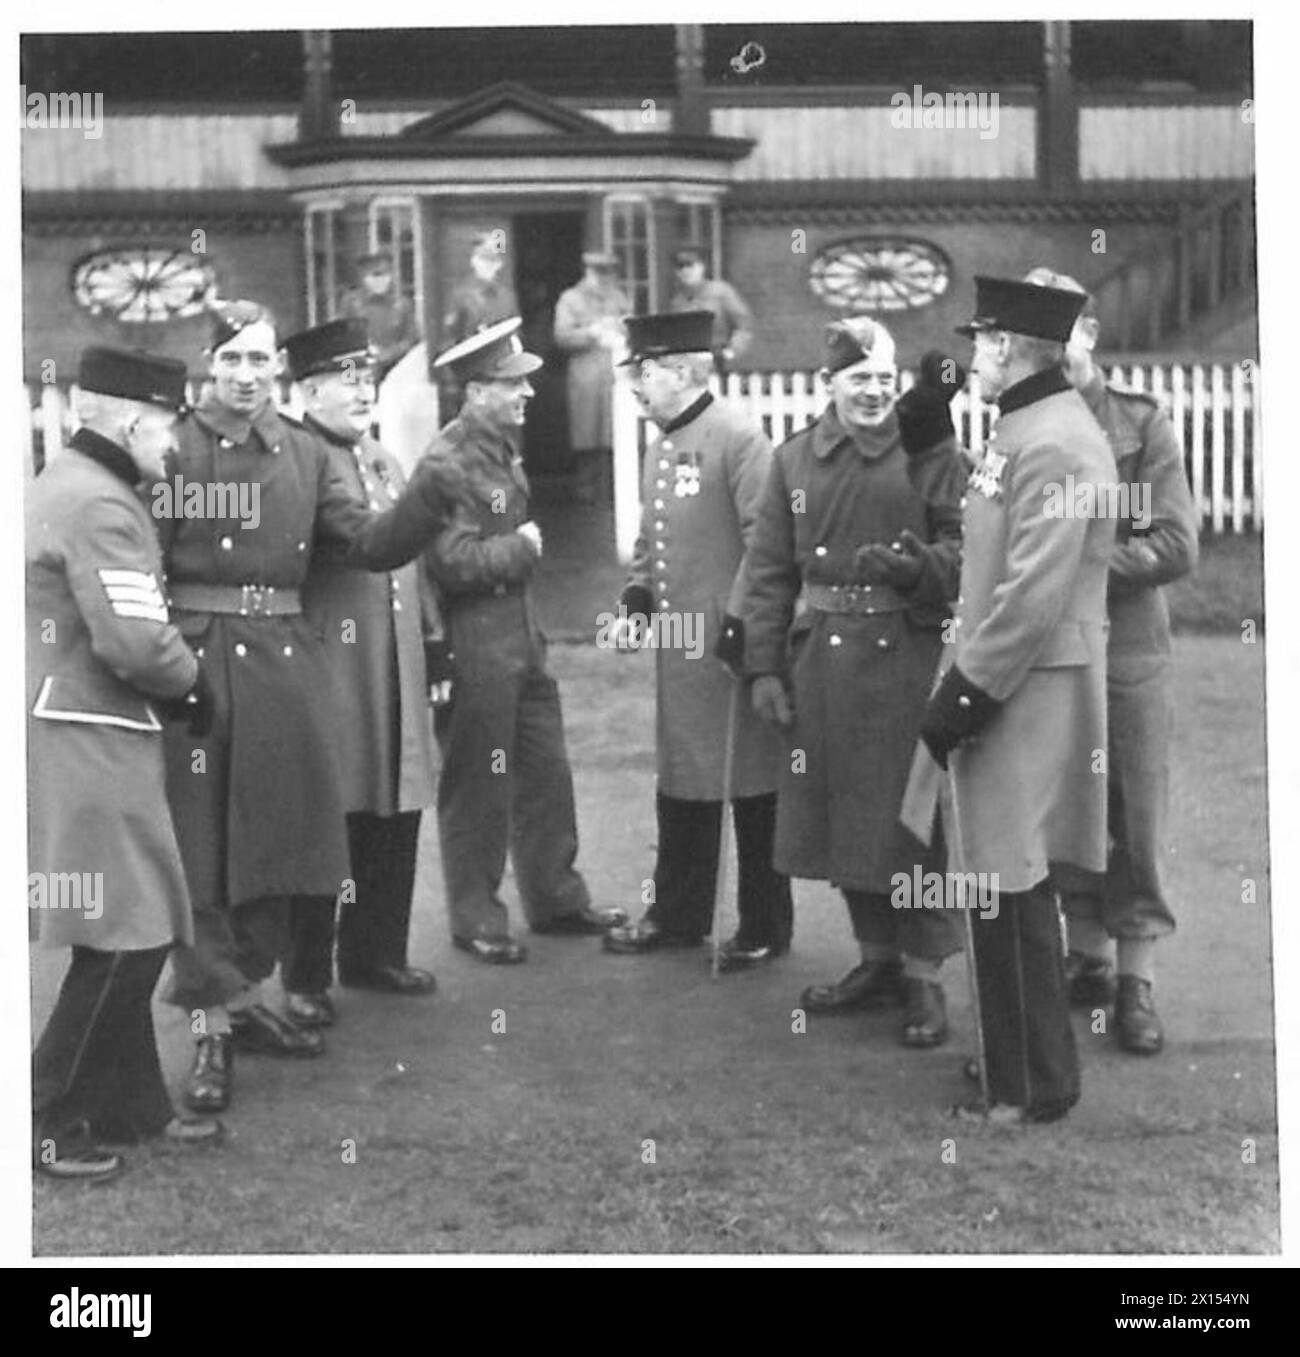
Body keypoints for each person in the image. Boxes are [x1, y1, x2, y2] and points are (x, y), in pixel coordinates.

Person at [158, 301, 401, 1113]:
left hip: (279, 660)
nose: (248, 375)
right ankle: (211, 1032)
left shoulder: (303, 451)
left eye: (261, 361)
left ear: (278, 370)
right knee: (202, 854)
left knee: (279, 842)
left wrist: (431, 496)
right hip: (191, 666)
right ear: (207, 363)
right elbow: (142, 558)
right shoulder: (170, 448)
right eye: (233, 360)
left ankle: (245, 997)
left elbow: (364, 543)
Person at [348, 317, 627, 961]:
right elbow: (450, 563)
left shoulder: (499, 449)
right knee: (478, 783)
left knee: (545, 771)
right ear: (477, 392)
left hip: (520, 637)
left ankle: (556, 898)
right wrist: (522, 549)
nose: (527, 394)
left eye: (525, 382)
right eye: (513, 384)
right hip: (474, 642)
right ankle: (475, 918)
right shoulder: (447, 464)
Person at [911, 275, 1118, 1123]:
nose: (971, 357)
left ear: (1007, 346)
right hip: (1009, 685)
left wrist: (967, 692)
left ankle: (1028, 1087)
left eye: (979, 342)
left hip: (1023, 691)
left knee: (1007, 883)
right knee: (999, 883)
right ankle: (1020, 1067)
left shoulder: (1059, 441)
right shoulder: (1027, 427)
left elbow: (1033, 594)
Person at [739, 318, 966, 1045]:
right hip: (824, 666)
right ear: (827, 383)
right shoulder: (793, 460)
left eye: (882, 376)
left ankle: (925, 979)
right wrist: (765, 667)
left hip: (908, 656)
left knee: (911, 823)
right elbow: (770, 571)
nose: (872, 391)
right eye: (857, 377)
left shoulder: (930, 451)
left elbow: (970, 546)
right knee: (844, 817)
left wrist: (920, 569)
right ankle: (876, 961)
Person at [28, 347, 221, 1183]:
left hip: (71, 720)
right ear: (132, 419)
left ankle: (129, 1106)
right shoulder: (103, 503)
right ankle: (44, 1117)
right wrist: (193, 686)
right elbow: (134, 637)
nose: (175, 442)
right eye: (169, 422)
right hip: (88, 726)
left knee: (126, 919)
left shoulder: (65, 481)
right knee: (127, 930)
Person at [1024, 267, 1199, 1055]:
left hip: (1126, 651)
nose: (1053, 351)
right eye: (1038, 337)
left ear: (1088, 334)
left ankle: (1137, 982)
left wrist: (1082, 563)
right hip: (1055, 652)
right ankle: (1086, 961)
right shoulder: (1021, 423)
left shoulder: (1140, 425)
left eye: (1064, 333)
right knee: (1067, 806)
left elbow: (1176, 544)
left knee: (1132, 813)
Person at [601, 311, 792, 968]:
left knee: (752, 787)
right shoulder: (661, 443)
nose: (636, 388)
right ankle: (678, 914)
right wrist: (636, 600)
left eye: (645, 374)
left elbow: (768, 548)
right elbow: (655, 548)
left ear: (681, 372)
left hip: (730, 650)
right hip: (680, 654)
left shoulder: (739, 438)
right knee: (682, 781)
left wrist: (748, 633)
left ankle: (765, 926)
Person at [279, 318, 443, 1029]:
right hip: (334, 659)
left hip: (394, 656)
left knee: (395, 800)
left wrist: (436, 641)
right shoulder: (299, 458)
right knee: (333, 812)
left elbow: (415, 564)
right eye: (346, 382)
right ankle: (308, 972)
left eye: (366, 380)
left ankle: (377, 951)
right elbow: (363, 538)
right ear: (309, 389)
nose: (361, 392)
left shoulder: (381, 456)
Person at [552, 251, 630, 505]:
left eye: (608, 273)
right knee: (586, 434)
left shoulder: (618, 298)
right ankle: (585, 494)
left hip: (614, 372)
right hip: (585, 373)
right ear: (588, 273)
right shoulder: (571, 299)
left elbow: (632, 327)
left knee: (614, 433)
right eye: (598, 273)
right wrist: (591, 333)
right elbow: (561, 336)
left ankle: (610, 493)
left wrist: (620, 332)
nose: (604, 279)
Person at [668, 245, 754, 375]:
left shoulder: (721, 292)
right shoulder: (677, 302)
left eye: (690, 265)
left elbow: (744, 325)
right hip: (689, 367)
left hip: (721, 362)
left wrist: (732, 351)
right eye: (680, 266)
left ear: (702, 267)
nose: (685, 270)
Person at [341, 253, 418, 379]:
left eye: (385, 276)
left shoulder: (403, 305)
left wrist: (389, 353)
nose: (380, 282)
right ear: (364, 278)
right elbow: (342, 338)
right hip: (358, 369)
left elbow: (411, 339)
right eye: (374, 276)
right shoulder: (351, 303)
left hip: (395, 371)